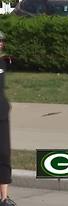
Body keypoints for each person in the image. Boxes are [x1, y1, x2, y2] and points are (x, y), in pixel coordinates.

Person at [0, 32, 15, 206]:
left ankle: (4, 198)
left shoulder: (3, 62)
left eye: (1, 41)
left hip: (2, 113)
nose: (0, 44)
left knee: (4, 153)